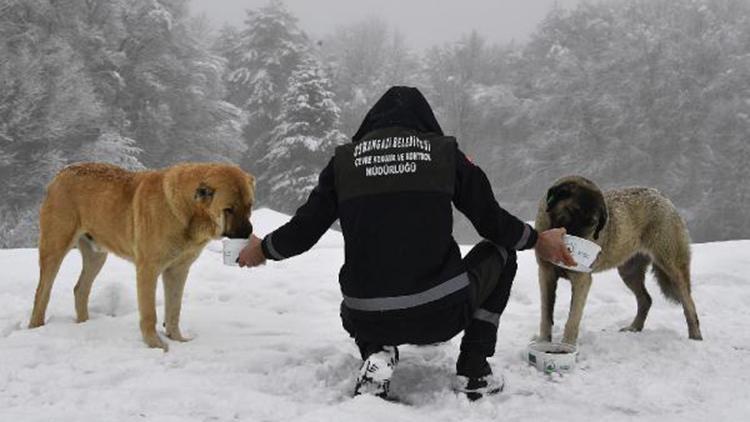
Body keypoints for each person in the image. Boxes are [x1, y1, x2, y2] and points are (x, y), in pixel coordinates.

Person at [239, 86, 575, 400]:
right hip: (441, 313)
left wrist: (263, 248)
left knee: (367, 290)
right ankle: (475, 369)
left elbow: (304, 230)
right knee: (502, 251)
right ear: (426, 121)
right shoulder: (444, 154)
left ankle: (376, 351)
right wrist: (536, 239)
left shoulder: (344, 162)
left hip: (366, 317)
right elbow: (491, 222)